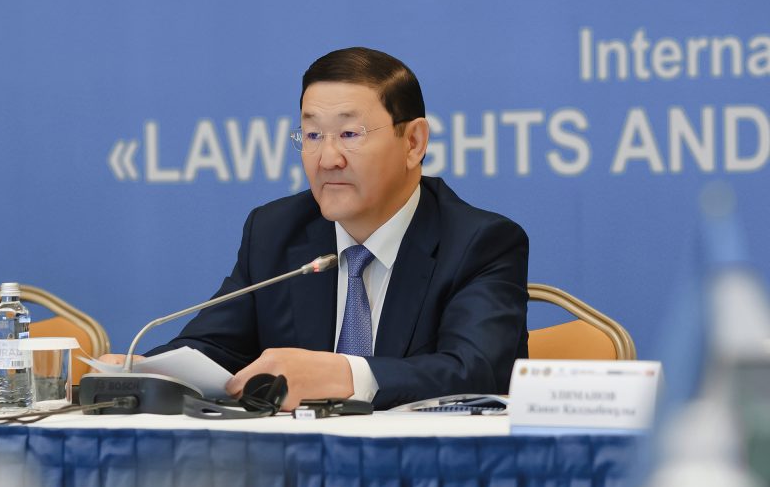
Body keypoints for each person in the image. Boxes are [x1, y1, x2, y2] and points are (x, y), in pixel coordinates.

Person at [141, 47, 529, 410]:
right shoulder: (276, 232)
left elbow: (477, 372)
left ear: (413, 142)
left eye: (349, 135)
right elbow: (212, 349)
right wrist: (138, 371)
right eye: (312, 135)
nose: (327, 159)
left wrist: (343, 375)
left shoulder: (479, 243)